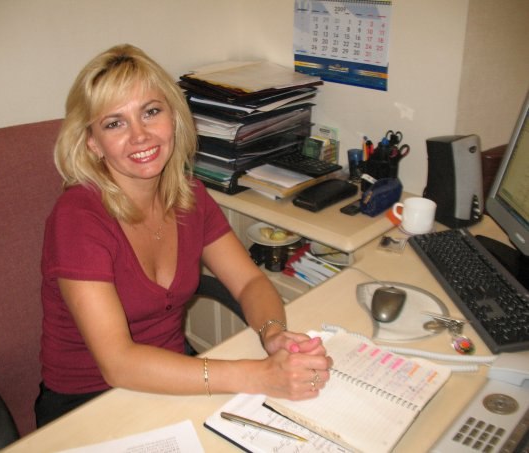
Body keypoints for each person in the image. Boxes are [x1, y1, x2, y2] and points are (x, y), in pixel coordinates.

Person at [35, 43, 333, 426]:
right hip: (89, 405)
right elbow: (118, 364)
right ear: (93, 143)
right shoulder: (78, 217)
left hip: (175, 378)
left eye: (151, 112)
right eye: (115, 123)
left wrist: (273, 334)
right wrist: (258, 375)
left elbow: (248, 282)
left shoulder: (189, 196)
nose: (140, 135)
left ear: (174, 117)